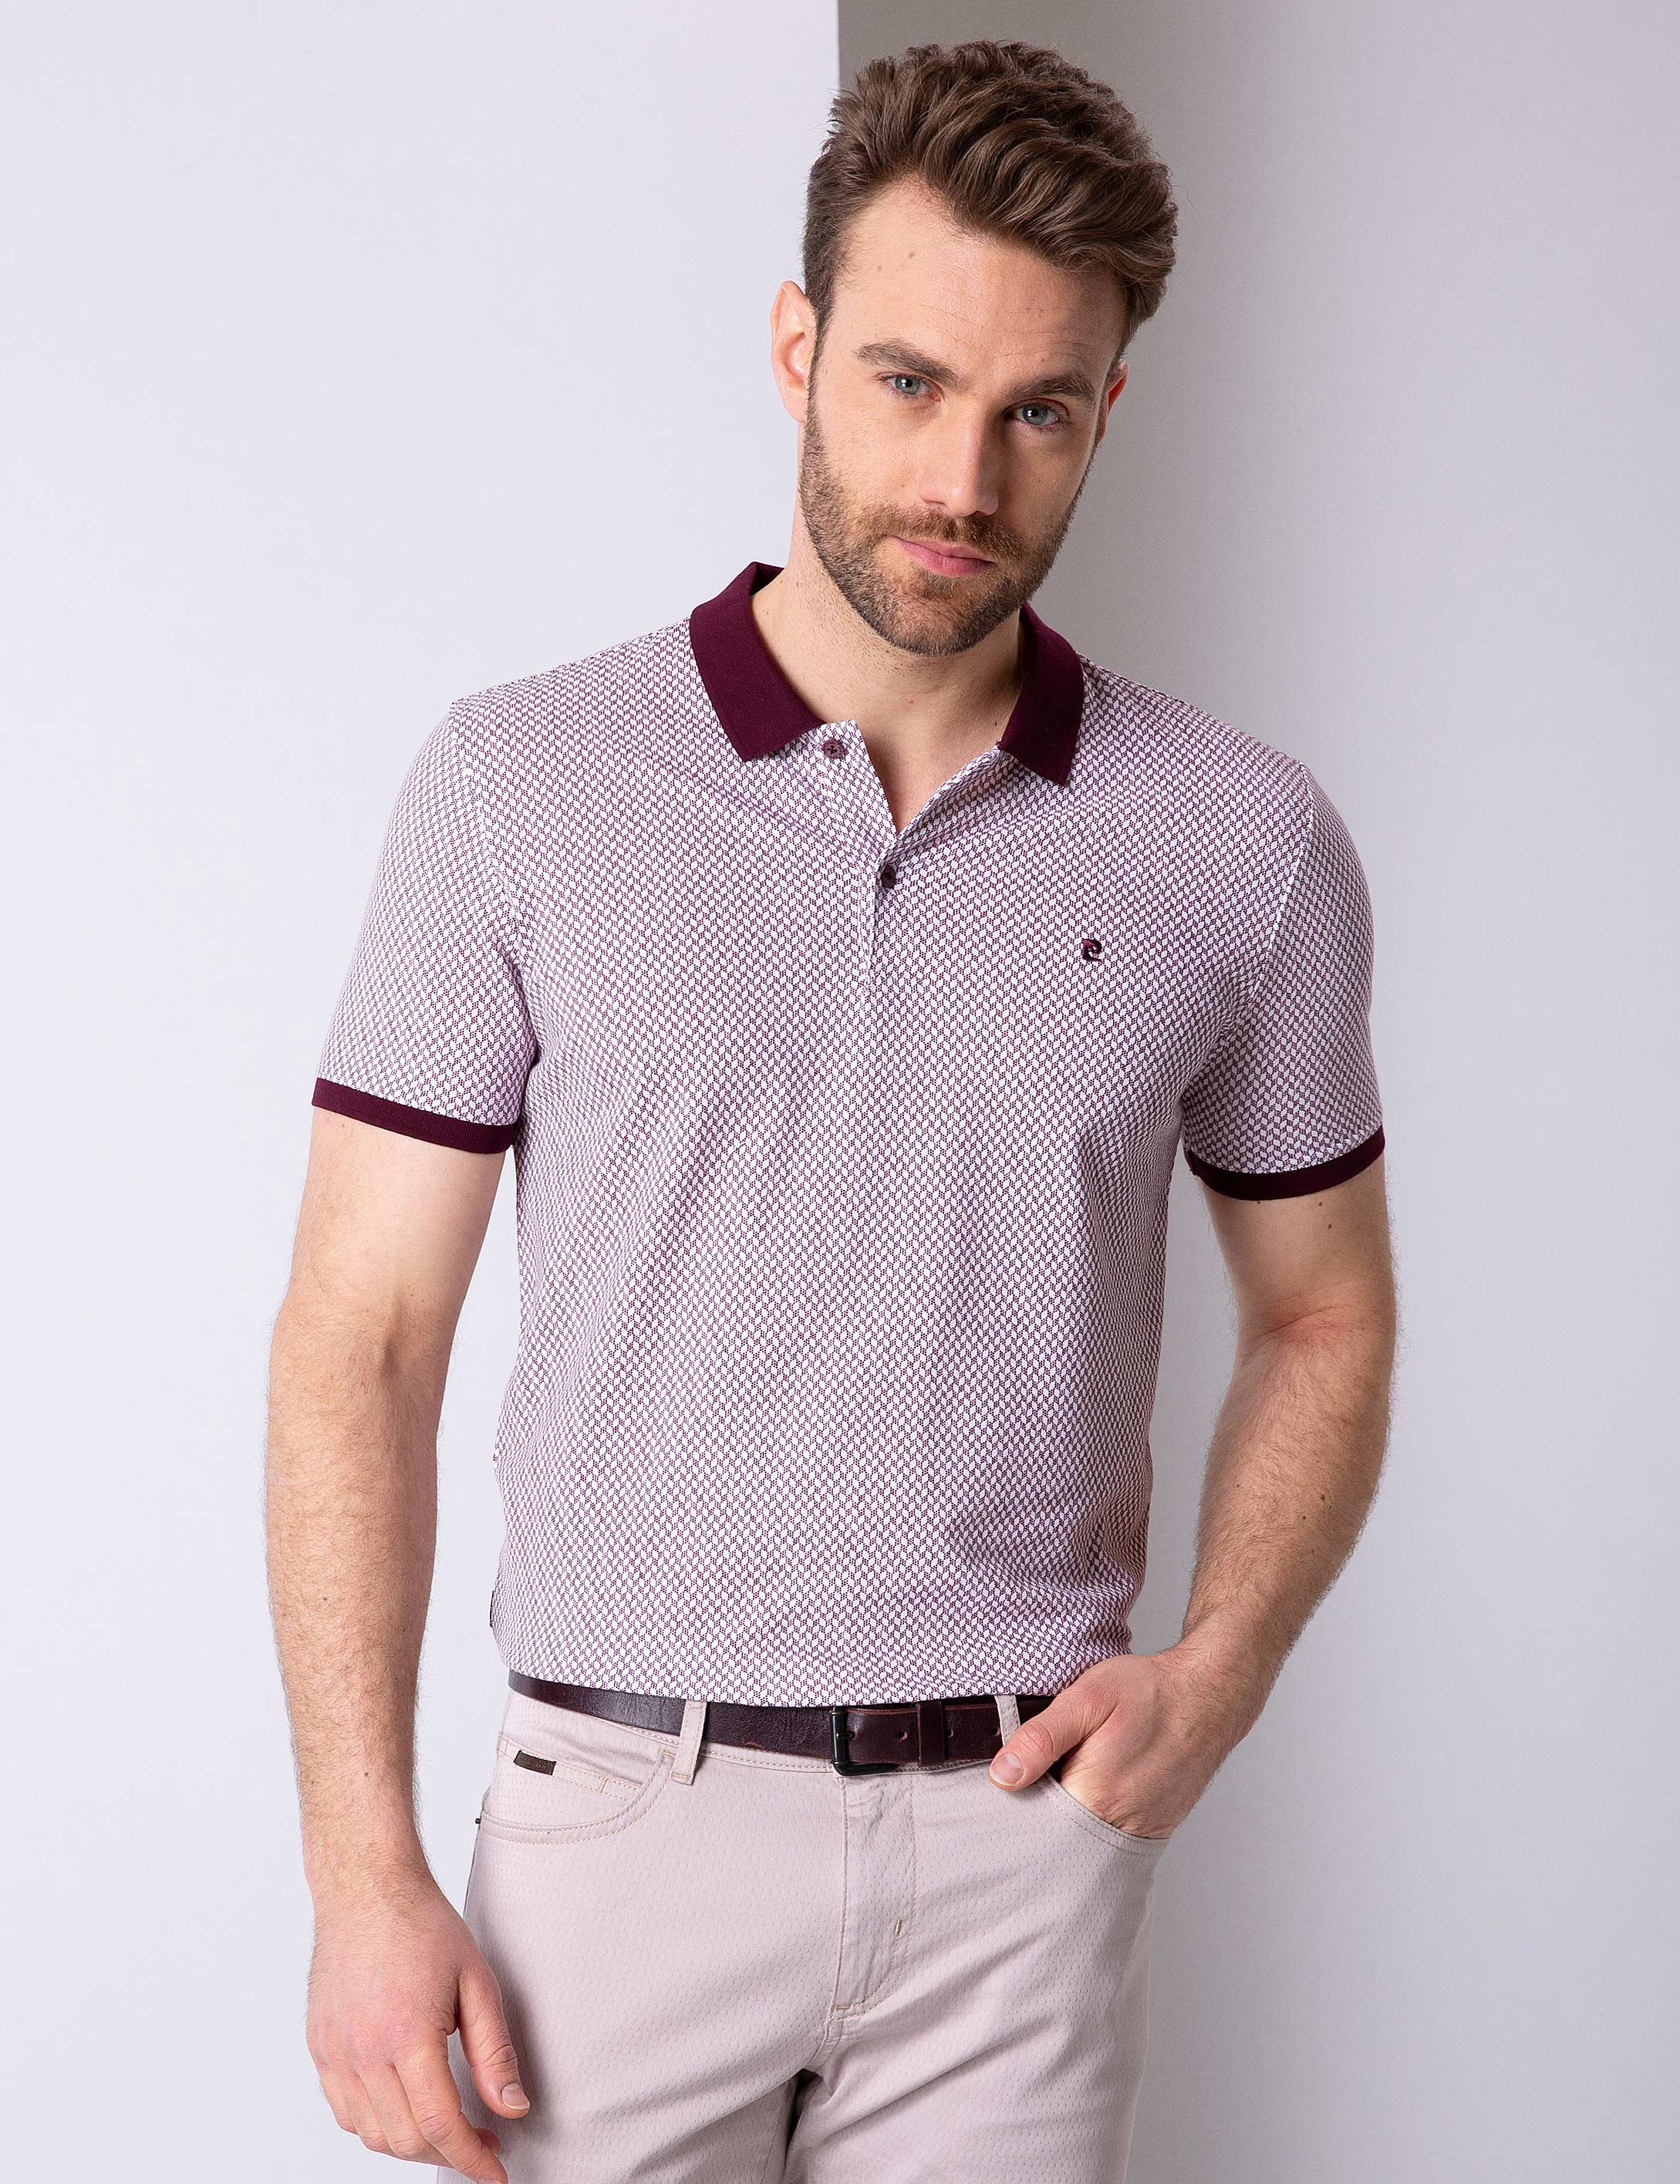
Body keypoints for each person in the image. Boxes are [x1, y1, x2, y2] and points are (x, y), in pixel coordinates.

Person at [266, 36, 1397, 2184]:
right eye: (905, 381)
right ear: (796, 347)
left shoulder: (1243, 844)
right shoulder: (519, 787)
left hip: (1020, 1857)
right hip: (620, 1836)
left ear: (1106, 410)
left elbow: (1325, 1312)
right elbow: (362, 1338)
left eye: (1035, 410)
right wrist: (361, 1873)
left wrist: (1223, 1666)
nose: (961, 477)